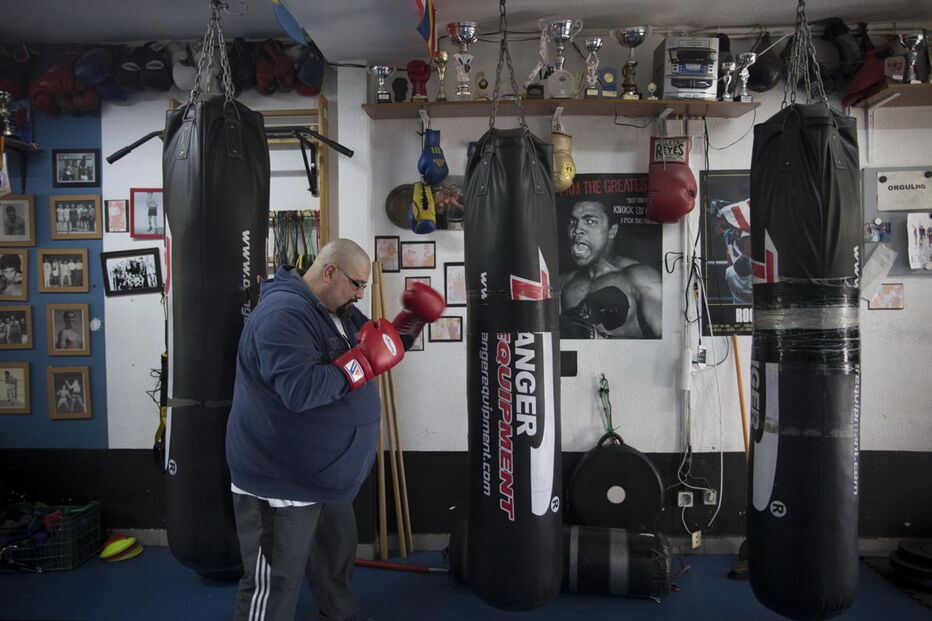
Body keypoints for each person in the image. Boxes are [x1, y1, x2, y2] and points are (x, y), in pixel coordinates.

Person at [226, 238, 444, 621]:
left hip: (326, 477)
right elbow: (301, 390)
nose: (361, 294)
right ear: (329, 272)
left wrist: (412, 322)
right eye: (357, 284)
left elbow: (380, 350)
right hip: (280, 481)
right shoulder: (282, 314)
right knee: (275, 583)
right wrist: (360, 362)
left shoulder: (338, 309)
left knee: (334, 568)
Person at [560, 200, 662, 338]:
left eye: (590, 222)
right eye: (573, 222)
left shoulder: (640, 277)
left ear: (612, 231)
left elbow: (666, 342)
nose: (577, 230)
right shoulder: (563, 282)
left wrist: (600, 338)